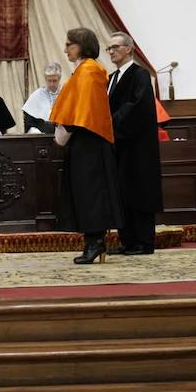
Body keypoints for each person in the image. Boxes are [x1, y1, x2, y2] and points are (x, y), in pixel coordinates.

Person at [49, 28, 123, 264]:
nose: (65, 49)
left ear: (81, 45)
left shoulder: (89, 71)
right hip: (84, 141)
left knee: (91, 193)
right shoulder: (82, 70)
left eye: (69, 44)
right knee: (84, 193)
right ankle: (92, 242)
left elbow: (83, 111)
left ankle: (96, 242)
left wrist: (64, 131)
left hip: (89, 141)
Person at [106, 31, 162, 255]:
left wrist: (111, 123)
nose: (111, 51)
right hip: (118, 145)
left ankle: (143, 242)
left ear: (128, 49)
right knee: (122, 193)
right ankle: (127, 240)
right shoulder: (111, 78)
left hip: (137, 146)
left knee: (139, 191)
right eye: (108, 48)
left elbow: (137, 107)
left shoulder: (140, 75)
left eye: (115, 47)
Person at [22, 63, 62, 134]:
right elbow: (29, 123)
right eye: (49, 81)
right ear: (45, 79)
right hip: (42, 139)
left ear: (59, 79)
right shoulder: (36, 96)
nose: (52, 84)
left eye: (54, 81)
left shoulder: (66, 94)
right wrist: (35, 131)